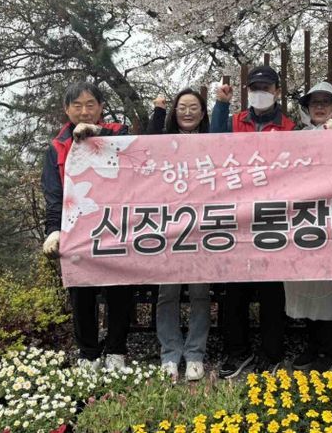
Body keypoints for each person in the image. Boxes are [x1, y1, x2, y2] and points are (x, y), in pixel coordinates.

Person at [41, 81, 132, 371]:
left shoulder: (119, 132)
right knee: (81, 290)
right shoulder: (56, 147)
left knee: (120, 288)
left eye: (90, 104)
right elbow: (54, 195)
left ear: (101, 107)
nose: (84, 111)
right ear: (66, 109)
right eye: (77, 106)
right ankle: (88, 353)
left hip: (116, 224)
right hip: (77, 227)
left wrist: (97, 134)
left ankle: (116, 349)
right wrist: (53, 231)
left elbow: (135, 153)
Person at [211, 65, 295, 378]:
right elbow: (214, 144)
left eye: (266, 88)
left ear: (277, 91)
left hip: (273, 216)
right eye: (255, 88)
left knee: (272, 290)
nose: (260, 93)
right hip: (236, 216)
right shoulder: (234, 121)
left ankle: (272, 353)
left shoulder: (289, 127)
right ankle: (237, 351)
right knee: (235, 289)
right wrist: (221, 104)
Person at [147, 89, 211, 382]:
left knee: (200, 293)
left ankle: (195, 354)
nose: (187, 112)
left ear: (202, 113)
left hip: (203, 228)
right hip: (168, 228)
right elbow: (146, 147)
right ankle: (170, 355)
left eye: (193, 107)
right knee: (167, 294)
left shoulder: (213, 141)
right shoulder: (164, 141)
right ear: (174, 112)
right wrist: (158, 112)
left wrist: (223, 104)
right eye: (182, 107)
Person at [284, 82, 332, 372]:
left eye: (326, 102)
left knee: (330, 286)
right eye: (314, 103)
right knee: (305, 284)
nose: (320, 107)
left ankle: (331, 347)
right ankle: (312, 344)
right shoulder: (296, 139)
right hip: (303, 219)